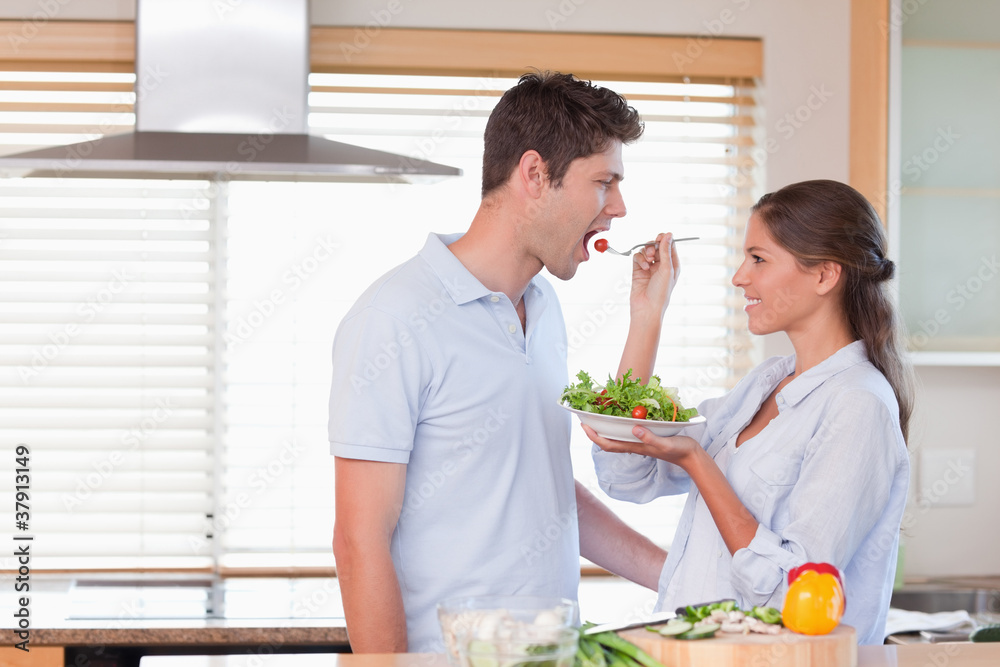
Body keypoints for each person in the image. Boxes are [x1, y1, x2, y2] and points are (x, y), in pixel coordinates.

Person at [329, 71, 678, 653]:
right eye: (603, 182)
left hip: (549, 655)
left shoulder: (542, 310)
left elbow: (541, 490)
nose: (619, 207)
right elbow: (358, 538)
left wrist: (685, 577)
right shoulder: (393, 318)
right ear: (536, 174)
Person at [587, 179, 913, 645]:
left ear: (824, 275)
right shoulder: (762, 386)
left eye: (759, 259)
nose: (740, 276)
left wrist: (698, 464)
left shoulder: (858, 405)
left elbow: (792, 596)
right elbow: (626, 472)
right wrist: (648, 313)